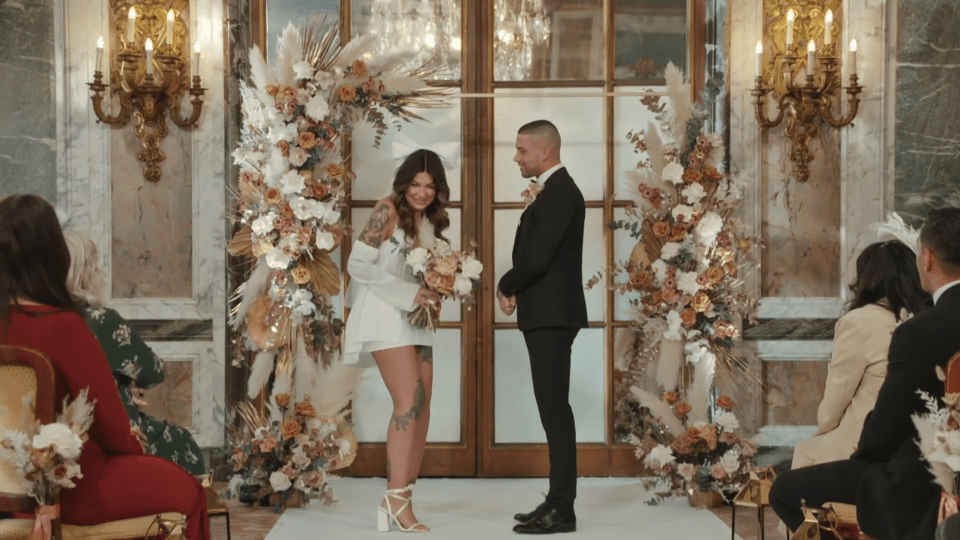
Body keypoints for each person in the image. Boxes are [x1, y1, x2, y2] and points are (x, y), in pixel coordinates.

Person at [0, 194, 209, 539]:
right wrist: (135, 445)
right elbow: (113, 429)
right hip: (69, 489)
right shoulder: (63, 325)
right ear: (53, 253)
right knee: (186, 488)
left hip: (7, 491)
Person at [769, 207, 960, 540]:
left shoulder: (919, 332)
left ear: (927, 259)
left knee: (785, 489)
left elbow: (886, 428)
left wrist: (861, 458)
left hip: (922, 483)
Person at [342, 149, 450, 533]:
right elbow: (356, 264)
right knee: (409, 401)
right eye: (415, 185)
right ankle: (395, 498)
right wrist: (408, 293)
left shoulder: (429, 221)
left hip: (416, 321)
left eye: (430, 186)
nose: (421, 193)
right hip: (385, 315)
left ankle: (403, 493)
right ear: (403, 184)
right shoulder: (386, 211)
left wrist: (442, 283)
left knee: (424, 407)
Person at [497, 120, 587, 534]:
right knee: (553, 410)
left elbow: (536, 259)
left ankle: (562, 509)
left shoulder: (559, 194)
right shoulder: (555, 191)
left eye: (521, 150)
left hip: (551, 317)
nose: (516, 157)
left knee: (555, 411)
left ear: (545, 152)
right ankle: (555, 501)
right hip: (547, 315)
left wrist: (506, 284)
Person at [63, 230, 206, 475]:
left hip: (60, 432)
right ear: (84, 273)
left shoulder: (46, 320)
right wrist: (128, 381)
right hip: (110, 435)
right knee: (181, 440)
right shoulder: (101, 320)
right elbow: (153, 371)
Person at [790, 240, 932, 469]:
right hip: (919, 440)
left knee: (804, 454)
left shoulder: (858, 322)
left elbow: (836, 401)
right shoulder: (926, 319)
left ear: (868, 278)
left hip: (867, 441)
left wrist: (822, 431)